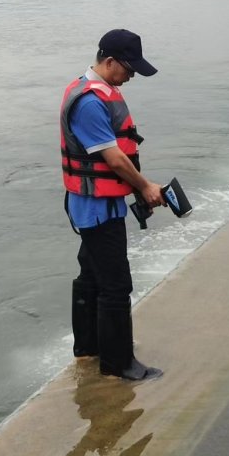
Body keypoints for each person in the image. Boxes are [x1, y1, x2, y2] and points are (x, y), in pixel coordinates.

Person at [60, 29, 165, 381]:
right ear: (109, 62)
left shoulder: (93, 91)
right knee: (116, 286)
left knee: (91, 276)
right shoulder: (90, 102)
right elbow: (116, 159)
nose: (131, 76)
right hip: (97, 208)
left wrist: (139, 189)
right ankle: (119, 364)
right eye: (128, 69)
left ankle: (88, 348)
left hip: (93, 203)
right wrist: (146, 187)